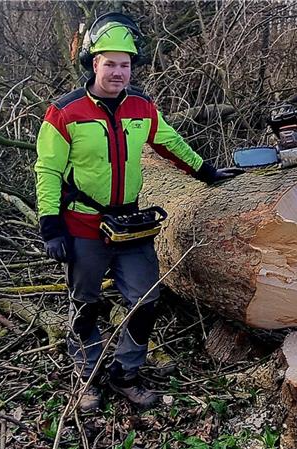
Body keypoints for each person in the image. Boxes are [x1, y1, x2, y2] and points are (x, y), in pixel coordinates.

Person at [34, 12, 241, 412]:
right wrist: (50, 225)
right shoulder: (65, 112)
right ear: (93, 63)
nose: (117, 72)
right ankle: (88, 375)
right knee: (86, 302)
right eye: (109, 63)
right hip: (81, 223)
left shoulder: (141, 106)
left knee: (146, 299)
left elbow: (170, 142)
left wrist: (206, 171)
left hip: (129, 223)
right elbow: (47, 169)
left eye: (124, 65)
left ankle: (126, 372)